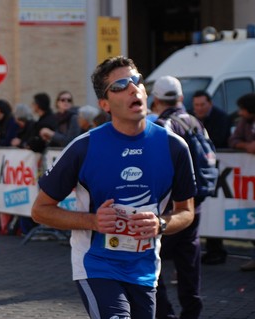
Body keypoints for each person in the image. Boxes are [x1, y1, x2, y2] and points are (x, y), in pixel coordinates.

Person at [32, 56, 195, 319]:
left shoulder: (174, 146)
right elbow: (40, 211)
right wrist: (94, 221)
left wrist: (160, 224)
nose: (133, 88)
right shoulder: (83, 147)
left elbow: (186, 212)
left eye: (136, 81)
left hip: (144, 270)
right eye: (120, 85)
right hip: (96, 265)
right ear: (104, 104)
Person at [151, 76, 206, 319]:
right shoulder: (193, 120)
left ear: (155, 99)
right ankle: (191, 312)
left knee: (152, 259)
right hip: (195, 201)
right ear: (181, 97)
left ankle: (165, 313)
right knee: (188, 260)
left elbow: (159, 166)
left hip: (172, 205)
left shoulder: (164, 125)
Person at [189, 90, 232, 265]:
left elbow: (219, 139)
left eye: (202, 105)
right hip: (202, 174)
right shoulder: (190, 117)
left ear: (210, 104)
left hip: (216, 173)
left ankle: (217, 250)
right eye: (196, 105)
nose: (199, 108)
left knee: (216, 211)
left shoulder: (221, 117)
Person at [228, 92, 255, 272]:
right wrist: (246, 146)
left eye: (243, 109)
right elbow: (232, 140)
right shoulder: (244, 123)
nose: (240, 113)